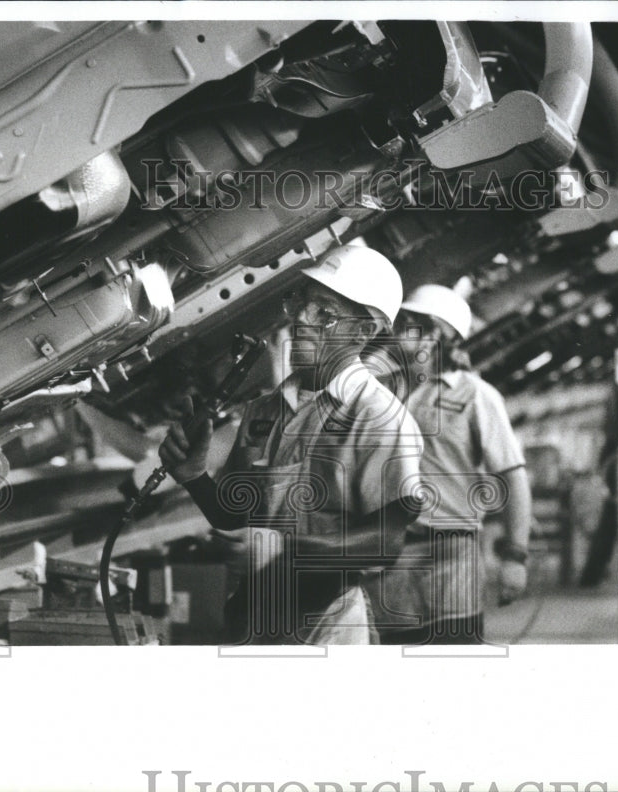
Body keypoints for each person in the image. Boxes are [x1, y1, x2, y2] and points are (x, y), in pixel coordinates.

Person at [158, 244, 423, 644]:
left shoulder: (377, 417)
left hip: (324, 626)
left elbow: (387, 541)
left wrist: (284, 549)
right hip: (254, 618)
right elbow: (235, 517)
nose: (302, 318)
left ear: (364, 332)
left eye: (325, 312)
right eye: (301, 301)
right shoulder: (265, 409)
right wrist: (195, 477)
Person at [364, 284, 532, 644]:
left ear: (436, 335)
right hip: (387, 557)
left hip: (451, 557)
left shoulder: (475, 395)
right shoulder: (379, 392)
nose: (393, 331)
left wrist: (516, 556)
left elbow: (512, 477)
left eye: (407, 322)